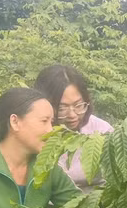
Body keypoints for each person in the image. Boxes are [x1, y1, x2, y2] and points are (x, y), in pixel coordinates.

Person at [33, 64, 113, 192]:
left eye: (78, 105)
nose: (72, 115)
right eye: (62, 108)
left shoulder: (102, 130)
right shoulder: (34, 135)